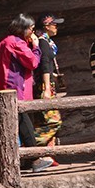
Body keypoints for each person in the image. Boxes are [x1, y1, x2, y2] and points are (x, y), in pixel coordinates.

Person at [0, 14, 56, 172]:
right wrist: (36, 47)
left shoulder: (7, 41)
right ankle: (32, 159)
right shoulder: (15, 42)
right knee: (23, 125)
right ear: (22, 28)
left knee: (14, 128)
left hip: (8, 89)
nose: (32, 32)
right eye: (30, 29)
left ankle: (13, 163)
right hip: (15, 90)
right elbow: (32, 62)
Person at [33, 14, 65, 148]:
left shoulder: (46, 42)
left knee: (42, 122)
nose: (56, 27)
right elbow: (45, 66)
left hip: (45, 84)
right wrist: (47, 88)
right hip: (44, 87)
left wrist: (55, 76)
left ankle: (45, 155)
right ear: (47, 26)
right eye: (55, 24)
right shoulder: (43, 43)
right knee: (54, 121)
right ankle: (27, 145)